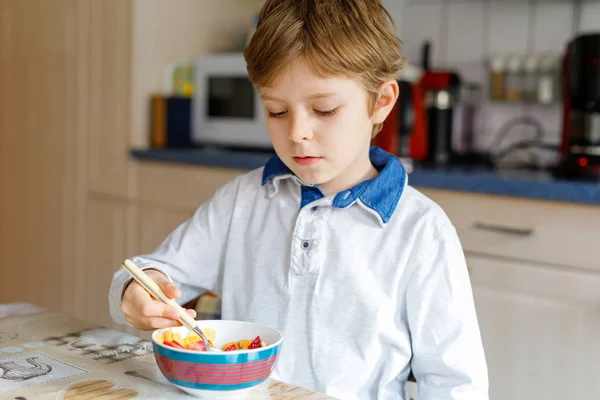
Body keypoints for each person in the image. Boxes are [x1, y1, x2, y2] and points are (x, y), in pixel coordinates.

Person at [109, 1, 489, 398]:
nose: (297, 133)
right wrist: (141, 289)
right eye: (276, 111)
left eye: (323, 109)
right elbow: (145, 271)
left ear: (381, 101)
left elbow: (455, 385)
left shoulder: (421, 231)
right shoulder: (242, 202)